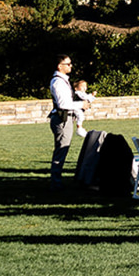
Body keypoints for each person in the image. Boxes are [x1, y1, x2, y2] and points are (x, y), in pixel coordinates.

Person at [48, 54, 84, 187]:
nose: (71, 66)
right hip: (62, 118)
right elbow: (63, 104)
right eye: (68, 64)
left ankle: (56, 181)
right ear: (60, 66)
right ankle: (56, 182)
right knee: (61, 149)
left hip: (65, 118)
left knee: (62, 149)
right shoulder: (58, 82)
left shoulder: (63, 80)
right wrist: (81, 105)